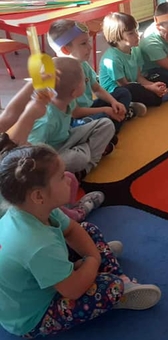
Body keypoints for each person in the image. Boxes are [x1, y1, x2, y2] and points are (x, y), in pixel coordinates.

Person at [0, 144, 162, 338]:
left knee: (87, 229)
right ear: (38, 196)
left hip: (44, 275)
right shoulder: (38, 245)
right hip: (34, 317)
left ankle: (105, 269)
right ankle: (119, 286)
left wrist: (89, 259)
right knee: (111, 286)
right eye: (61, 177)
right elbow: (73, 290)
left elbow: (72, 230)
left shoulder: (32, 211)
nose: (69, 178)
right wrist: (93, 259)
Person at [0, 83, 105, 222]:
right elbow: (12, 132)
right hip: (19, 211)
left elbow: (8, 116)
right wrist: (30, 115)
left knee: (69, 179)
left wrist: (34, 85)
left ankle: (67, 211)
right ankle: (71, 217)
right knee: (54, 199)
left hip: (25, 197)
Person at [27, 57, 115, 181]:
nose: (86, 82)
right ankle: (88, 159)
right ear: (74, 91)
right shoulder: (46, 119)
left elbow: (76, 112)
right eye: (84, 80)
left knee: (106, 124)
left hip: (68, 137)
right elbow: (32, 151)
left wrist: (104, 110)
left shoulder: (69, 100)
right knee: (79, 158)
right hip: (53, 152)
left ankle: (86, 164)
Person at [47, 20, 142, 133]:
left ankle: (115, 121)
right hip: (74, 120)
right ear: (65, 50)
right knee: (102, 120)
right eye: (83, 43)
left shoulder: (83, 64)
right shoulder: (61, 74)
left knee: (123, 92)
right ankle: (118, 119)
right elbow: (75, 112)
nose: (90, 47)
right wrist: (105, 110)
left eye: (88, 42)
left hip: (90, 107)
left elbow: (97, 89)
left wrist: (113, 102)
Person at [100, 12, 168, 107]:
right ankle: (161, 97)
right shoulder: (112, 60)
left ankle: (143, 101)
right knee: (135, 91)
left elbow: (138, 77)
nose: (137, 35)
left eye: (136, 30)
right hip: (115, 93)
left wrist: (153, 85)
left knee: (161, 79)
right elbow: (124, 85)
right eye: (131, 33)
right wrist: (150, 88)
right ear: (116, 36)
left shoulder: (135, 49)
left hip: (133, 84)